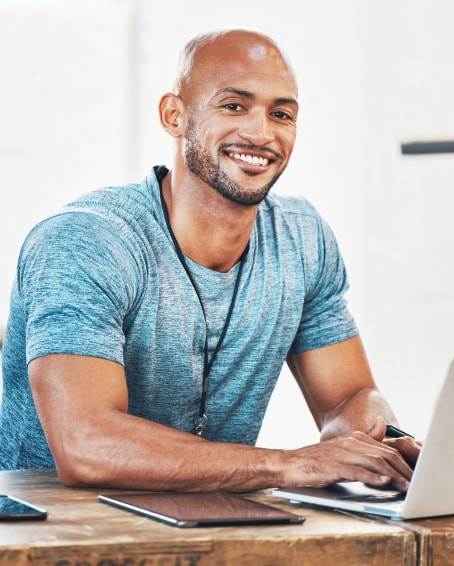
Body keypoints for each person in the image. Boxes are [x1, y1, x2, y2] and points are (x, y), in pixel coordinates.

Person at [0, 29, 420, 492]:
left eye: (281, 114)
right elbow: (85, 444)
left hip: (214, 524)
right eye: (234, 106)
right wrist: (288, 464)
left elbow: (348, 398)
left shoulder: (303, 239)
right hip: (55, 537)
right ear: (174, 116)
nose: (261, 133)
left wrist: (380, 440)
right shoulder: (87, 240)